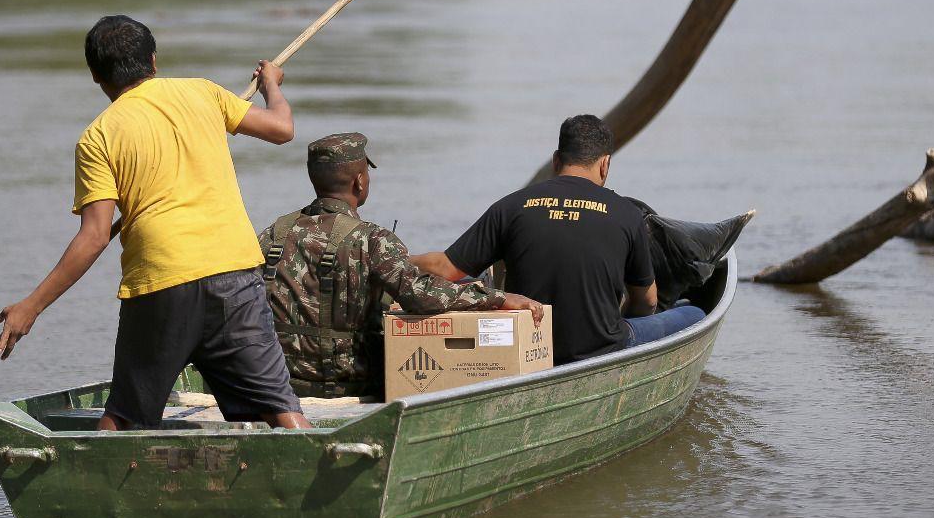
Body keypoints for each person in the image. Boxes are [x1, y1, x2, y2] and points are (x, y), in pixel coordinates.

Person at [0, 15, 312, 430]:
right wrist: (272, 85)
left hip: (162, 283)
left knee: (125, 418)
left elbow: (93, 238)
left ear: (95, 75)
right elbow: (282, 128)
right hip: (234, 274)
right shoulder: (204, 92)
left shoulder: (99, 136)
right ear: (154, 62)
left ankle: (93, 486)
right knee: (280, 410)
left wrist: (30, 307)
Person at [258, 132, 544, 398]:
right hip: (352, 384)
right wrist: (498, 298)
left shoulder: (273, 234)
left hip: (283, 382)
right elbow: (422, 296)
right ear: (359, 181)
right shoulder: (372, 239)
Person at [411, 115, 705, 365]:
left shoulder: (512, 206)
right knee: (693, 312)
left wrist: (380, 253)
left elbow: (445, 268)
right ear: (605, 165)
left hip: (529, 350)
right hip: (601, 348)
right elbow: (647, 301)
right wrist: (620, 320)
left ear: (555, 160)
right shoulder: (627, 214)